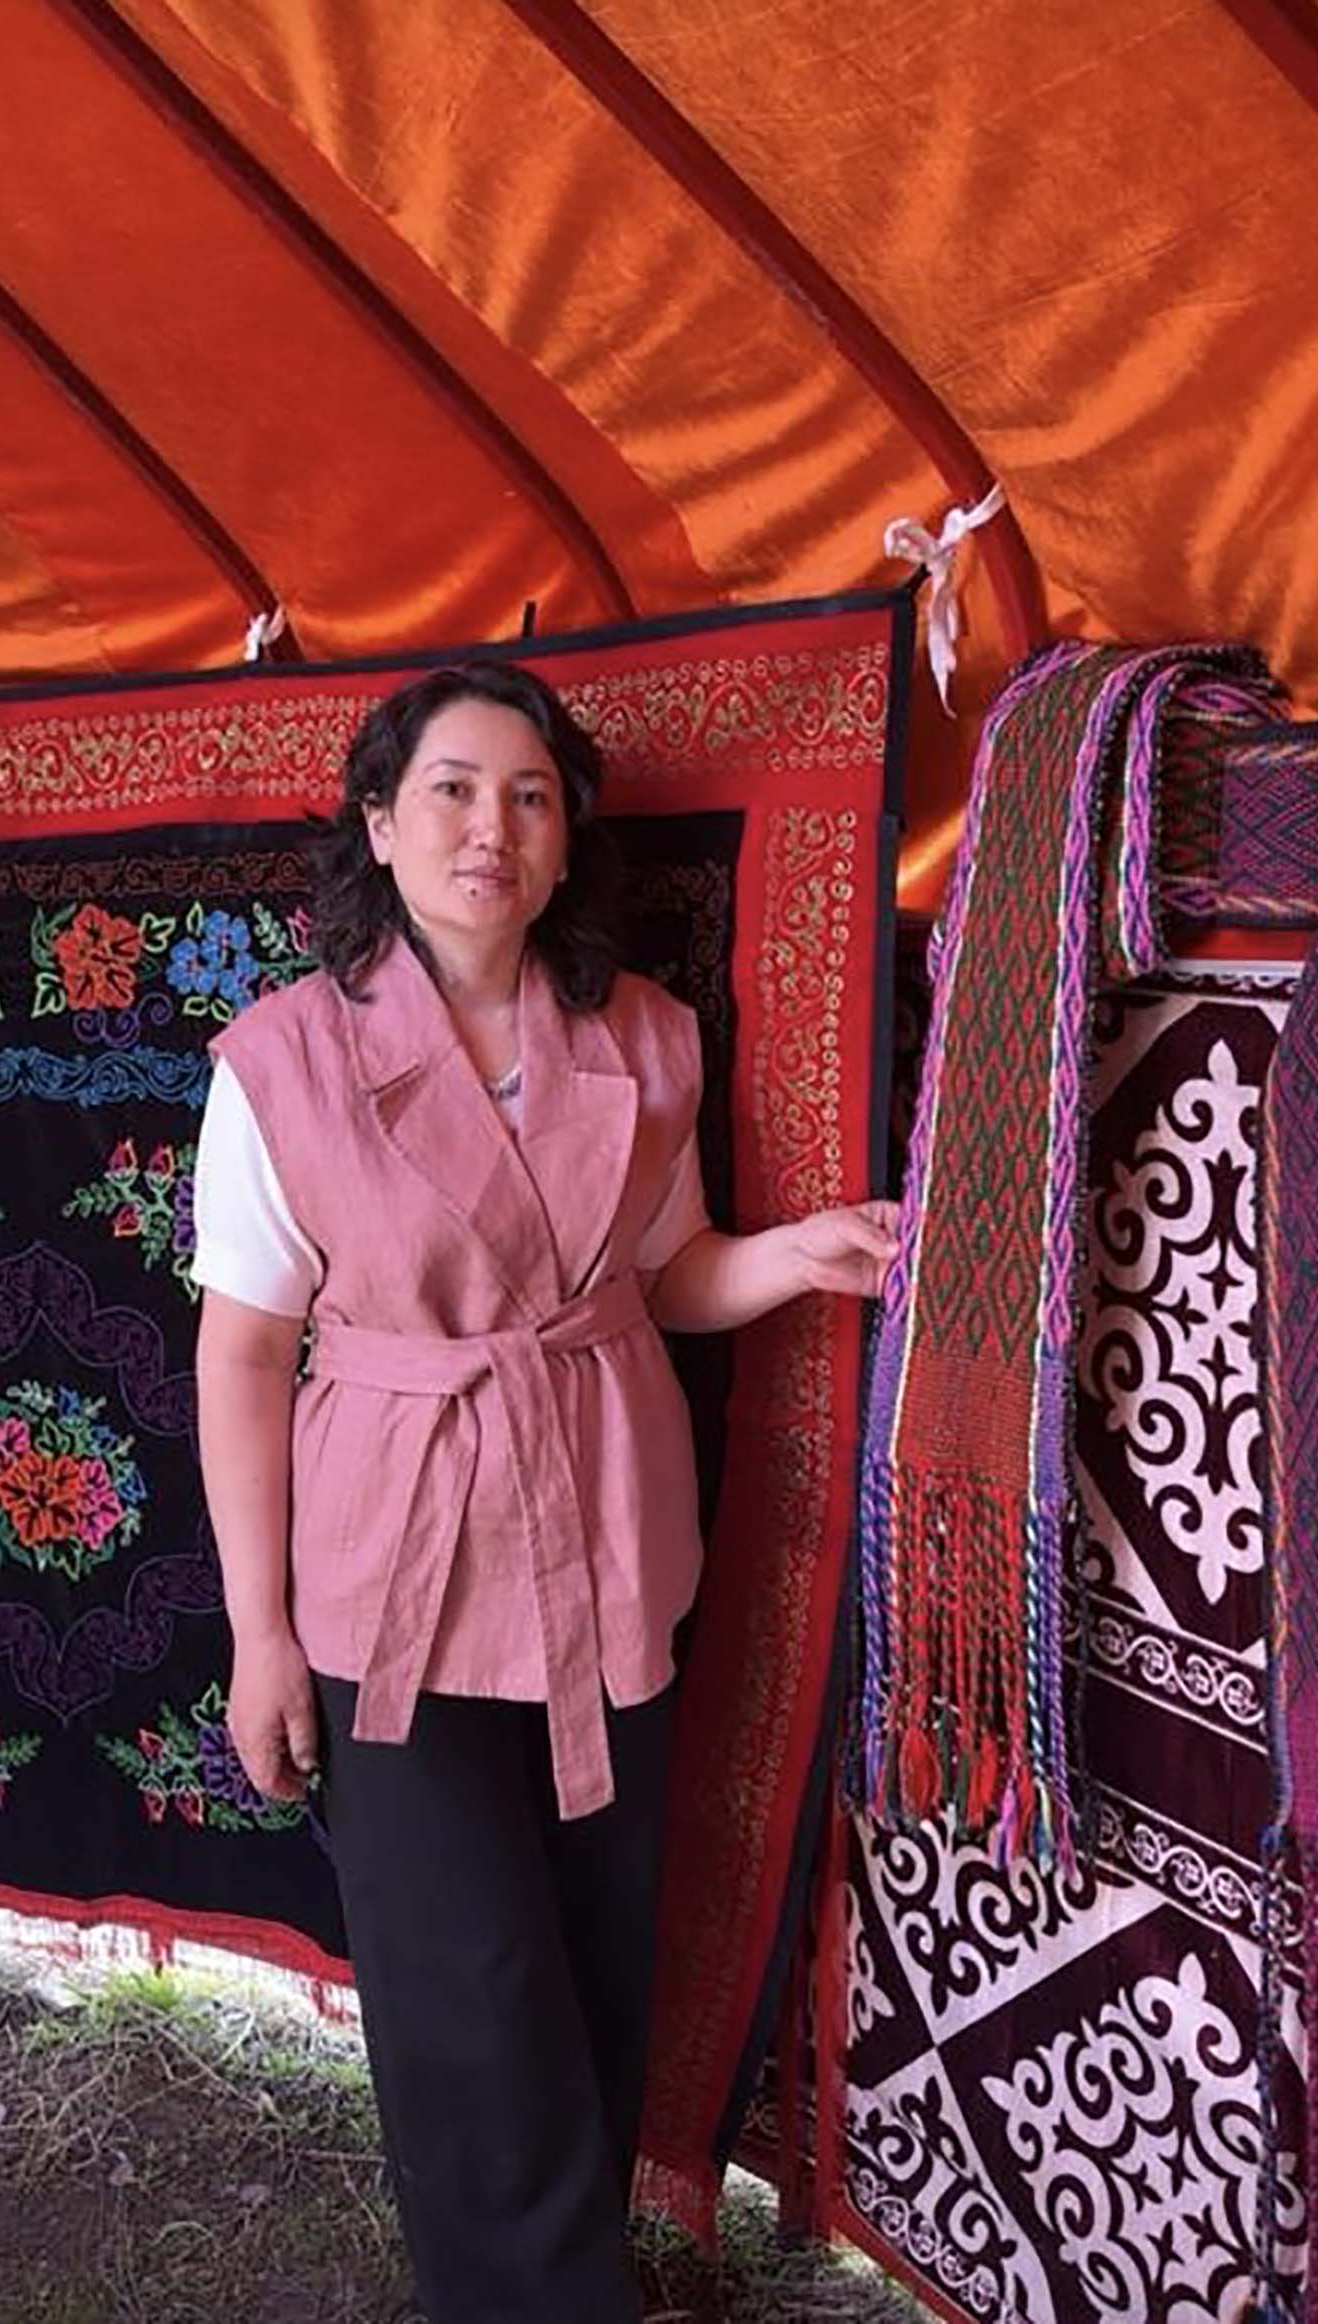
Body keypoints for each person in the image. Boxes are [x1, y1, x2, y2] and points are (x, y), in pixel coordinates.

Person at [190, 659, 896, 2324]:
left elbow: (669, 1274)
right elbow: (244, 1353)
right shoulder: (285, 1059)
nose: (489, 829)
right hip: (396, 1568)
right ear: (379, 823)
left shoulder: (643, 1037)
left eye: (528, 797)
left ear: (567, 839)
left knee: (590, 1949)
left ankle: (571, 2271)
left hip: (605, 1546)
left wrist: (798, 1254)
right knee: (467, 1984)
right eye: (449, 789)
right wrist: (260, 1638)